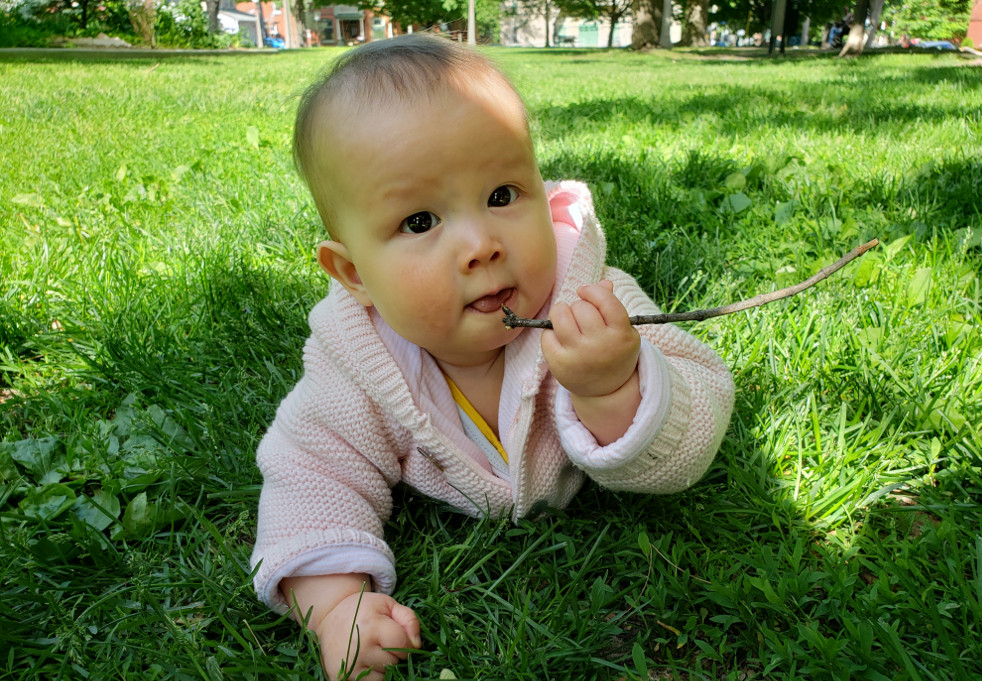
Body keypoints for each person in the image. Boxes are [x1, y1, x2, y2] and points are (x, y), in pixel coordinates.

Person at [251, 34, 735, 681]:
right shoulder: (358, 362)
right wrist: (337, 603)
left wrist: (615, 386)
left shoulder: (592, 298)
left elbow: (701, 418)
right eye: (421, 221)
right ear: (354, 272)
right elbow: (309, 475)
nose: (481, 244)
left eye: (502, 195)